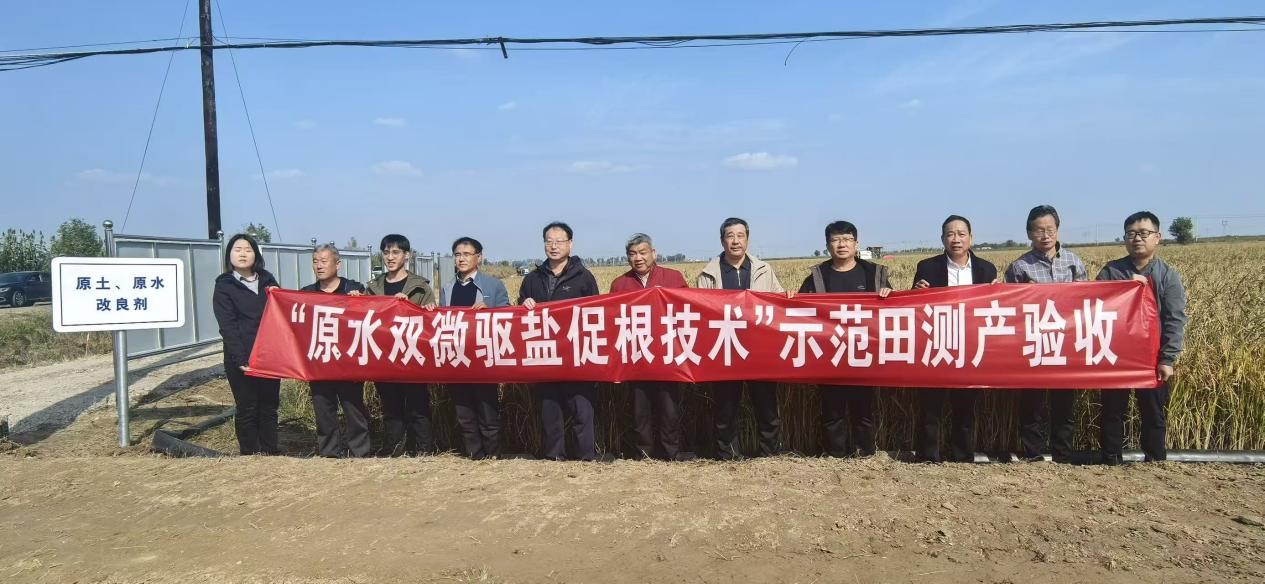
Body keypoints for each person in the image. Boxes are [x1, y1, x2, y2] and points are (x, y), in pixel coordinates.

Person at [1096, 211, 1186, 464]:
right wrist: (1125, 286)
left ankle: (1155, 461)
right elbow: (1096, 305)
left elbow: (1174, 319)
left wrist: (1167, 358)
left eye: (1144, 233)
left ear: (1157, 237)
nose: (1137, 238)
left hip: (1152, 358)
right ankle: (1110, 460)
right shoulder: (1111, 271)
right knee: (1113, 411)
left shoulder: (1167, 275)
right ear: (1125, 238)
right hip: (1115, 355)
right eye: (1131, 234)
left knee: (1153, 412)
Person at [797, 220, 892, 458]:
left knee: (864, 408)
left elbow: (893, 308)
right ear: (828, 245)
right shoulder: (817, 277)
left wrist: (889, 295)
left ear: (856, 243)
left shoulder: (874, 274)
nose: (842, 244)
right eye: (836, 240)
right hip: (830, 352)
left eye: (847, 239)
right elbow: (800, 308)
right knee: (832, 408)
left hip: (864, 351)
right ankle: (835, 454)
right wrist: (790, 299)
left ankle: (865, 453)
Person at [1004, 204, 1088, 463]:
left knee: (1064, 403)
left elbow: (1087, 301)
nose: (1045, 235)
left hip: (1066, 343)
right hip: (1033, 344)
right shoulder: (1019, 267)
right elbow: (1010, 308)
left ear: (1057, 230)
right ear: (1029, 233)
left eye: (1050, 229)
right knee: (1032, 403)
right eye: (1039, 230)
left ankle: (1063, 454)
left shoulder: (1073, 262)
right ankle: (1033, 454)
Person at [911, 215, 998, 463]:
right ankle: (928, 456)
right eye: (950, 234)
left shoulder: (986, 269)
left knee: (966, 405)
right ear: (942, 239)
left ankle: (963, 455)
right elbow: (913, 306)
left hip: (970, 346)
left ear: (971, 238)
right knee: (931, 405)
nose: (956, 239)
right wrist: (916, 292)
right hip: (937, 343)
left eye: (961, 234)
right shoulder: (927, 267)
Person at [697, 217, 785, 459]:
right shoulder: (708, 274)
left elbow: (779, 302)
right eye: (730, 236)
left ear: (747, 239)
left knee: (766, 404)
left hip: (760, 348)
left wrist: (788, 297)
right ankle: (728, 455)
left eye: (740, 235)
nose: (735, 241)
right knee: (725, 406)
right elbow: (700, 311)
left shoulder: (764, 270)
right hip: (725, 347)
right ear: (722, 241)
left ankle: (769, 453)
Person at [518, 221, 601, 461]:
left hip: (576, 354)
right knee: (549, 407)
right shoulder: (533, 279)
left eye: (559, 241)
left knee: (581, 408)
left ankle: (585, 455)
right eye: (549, 241)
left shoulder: (584, 277)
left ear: (570, 244)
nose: (553, 246)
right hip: (545, 354)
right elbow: (519, 314)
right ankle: (554, 455)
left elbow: (596, 312)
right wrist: (524, 305)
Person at [428, 236, 510, 459]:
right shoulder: (447, 288)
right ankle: (474, 454)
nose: (461, 259)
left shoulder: (493, 285)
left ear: (479, 257)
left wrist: (490, 311)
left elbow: (509, 317)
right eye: (457, 255)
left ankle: (494, 454)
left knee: (487, 409)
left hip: (483, 357)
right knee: (463, 411)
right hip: (457, 357)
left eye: (466, 254)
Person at [610, 233, 689, 460]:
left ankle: (670, 453)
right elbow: (611, 321)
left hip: (668, 356)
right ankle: (643, 455)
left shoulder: (673, 277)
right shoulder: (620, 284)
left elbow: (689, 310)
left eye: (643, 252)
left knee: (669, 409)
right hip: (636, 357)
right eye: (633, 254)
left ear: (653, 253)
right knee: (639, 410)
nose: (638, 258)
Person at [366, 234, 437, 456]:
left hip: (412, 355)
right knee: (391, 406)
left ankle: (423, 450)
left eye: (396, 252)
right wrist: (356, 299)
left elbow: (431, 321)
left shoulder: (419, 287)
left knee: (417, 405)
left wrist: (418, 309)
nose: (390, 257)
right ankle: (393, 449)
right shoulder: (373, 287)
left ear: (407, 256)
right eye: (386, 252)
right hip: (384, 355)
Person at [212, 233, 282, 455]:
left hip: (269, 354)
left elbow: (282, 312)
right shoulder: (224, 285)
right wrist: (240, 357)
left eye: (248, 249)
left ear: (256, 255)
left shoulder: (268, 281)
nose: (243, 254)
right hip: (241, 356)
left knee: (269, 406)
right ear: (229, 255)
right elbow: (227, 325)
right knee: (247, 406)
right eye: (237, 249)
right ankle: (250, 453)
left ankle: (270, 451)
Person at [299, 244, 371, 458]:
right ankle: (329, 452)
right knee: (323, 409)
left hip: (348, 362)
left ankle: (360, 451)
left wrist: (360, 301)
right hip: (320, 361)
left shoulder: (352, 288)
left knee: (354, 408)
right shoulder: (306, 294)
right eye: (315, 261)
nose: (319, 266)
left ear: (338, 264)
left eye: (324, 261)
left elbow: (369, 316)